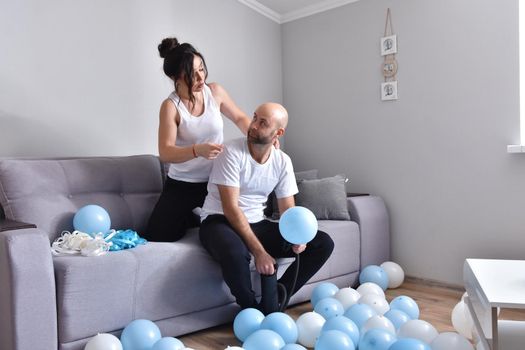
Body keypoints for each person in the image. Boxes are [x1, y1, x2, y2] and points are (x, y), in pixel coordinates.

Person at [199, 102, 334, 310]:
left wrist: (298, 237)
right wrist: (260, 252)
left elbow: (288, 211)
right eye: (254, 118)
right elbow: (231, 209)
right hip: (219, 221)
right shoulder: (231, 152)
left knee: (322, 243)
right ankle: (251, 309)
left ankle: (278, 294)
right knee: (236, 253)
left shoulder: (282, 162)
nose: (253, 125)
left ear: (278, 133)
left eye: (262, 123)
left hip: (257, 222)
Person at [145, 37, 252, 242]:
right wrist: (197, 150)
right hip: (182, 183)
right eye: (192, 74)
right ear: (176, 77)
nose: (200, 78)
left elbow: (239, 117)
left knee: (237, 230)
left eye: (201, 69)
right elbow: (166, 152)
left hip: (217, 179)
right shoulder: (170, 106)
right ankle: (191, 216)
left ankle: (199, 216)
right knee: (158, 235)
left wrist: (259, 137)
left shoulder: (215, 92)